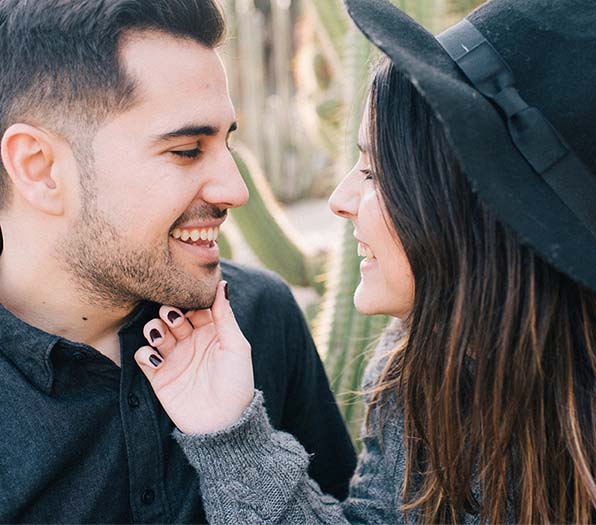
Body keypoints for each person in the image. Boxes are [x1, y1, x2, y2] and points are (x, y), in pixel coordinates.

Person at [134, 0, 596, 523]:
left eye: (376, 172)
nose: (339, 199)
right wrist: (230, 433)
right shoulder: (420, 366)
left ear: (471, 208)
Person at [0, 1, 357, 522]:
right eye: (188, 150)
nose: (236, 190)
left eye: (226, 143)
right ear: (40, 168)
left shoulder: (260, 316)